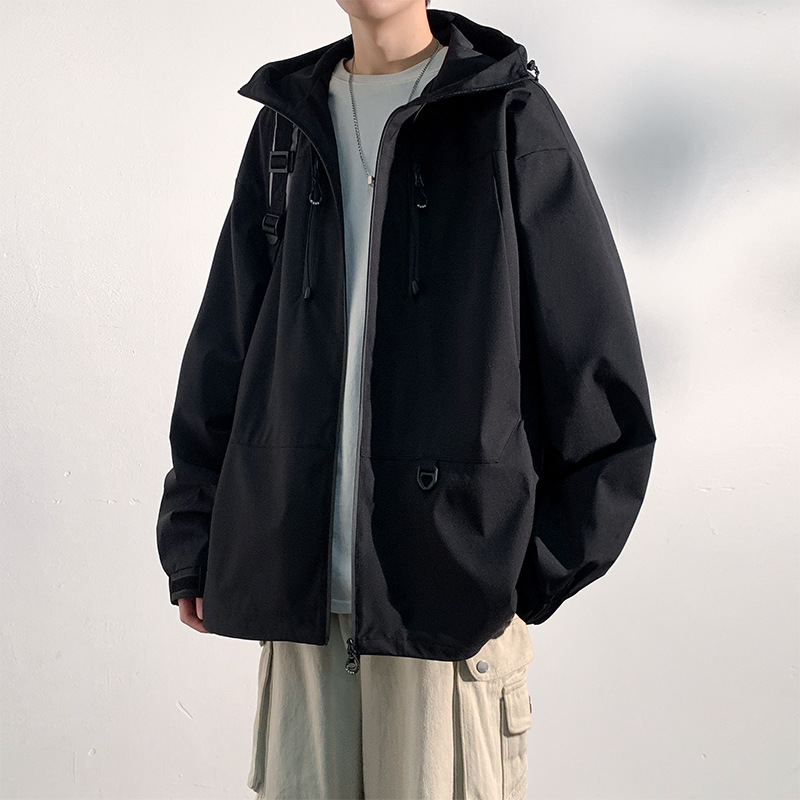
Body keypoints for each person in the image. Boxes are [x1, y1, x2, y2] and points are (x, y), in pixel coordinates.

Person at [156, 2, 656, 797]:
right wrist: (195, 529)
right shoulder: (288, 126)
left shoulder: (507, 115)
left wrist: (516, 573)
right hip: (301, 604)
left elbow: (595, 365)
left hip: (449, 618)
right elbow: (228, 340)